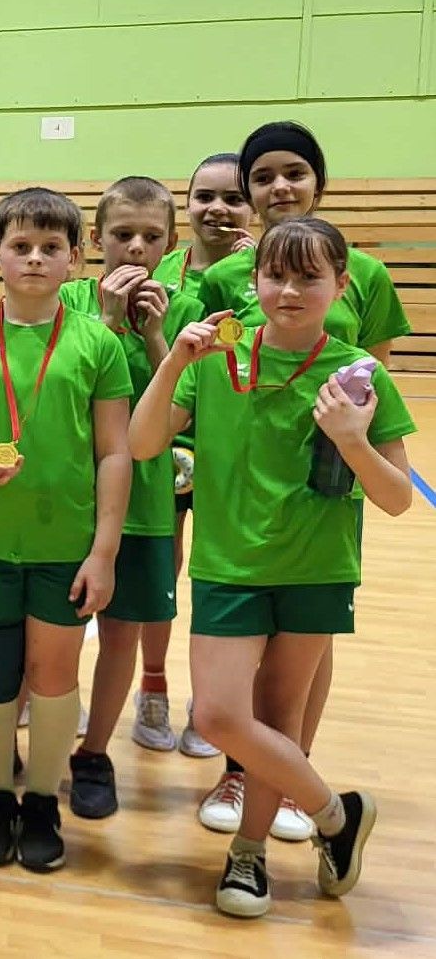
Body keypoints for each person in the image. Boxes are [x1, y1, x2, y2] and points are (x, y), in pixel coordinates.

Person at [128, 216, 410, 917]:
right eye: (275, 276)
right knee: (221, 715)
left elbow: (397, 497)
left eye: (309, 277)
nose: (290, 290)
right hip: (228, 564)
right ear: (253, 282)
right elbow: (142, 443)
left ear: (340, 285)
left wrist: (352, 439)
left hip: (317, 567)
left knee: (281, 719)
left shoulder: (359, 373)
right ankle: (336, 813)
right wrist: (172, 362)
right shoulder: (216, 357)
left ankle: (248, 854)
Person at [192, 121, 412, 841]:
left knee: (304, 646)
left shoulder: (366, 274)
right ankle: (245, 770)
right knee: (238, 662)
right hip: (241, 492)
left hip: (323, 484)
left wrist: (349, 444)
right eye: (263, 177)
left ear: (320, 181)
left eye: (295, 172)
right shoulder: (224, 277)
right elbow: (207, 374)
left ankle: (292, 778)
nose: (280, 186)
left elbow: (367, 375)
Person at [0, 187, 132, 872]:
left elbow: (115, 452)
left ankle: (41, 800)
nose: (35, 258)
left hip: (65, 543)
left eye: (50, 247)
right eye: (21, 246)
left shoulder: (98, 343)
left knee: (53, 674)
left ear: (75, 259)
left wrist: (104, 551)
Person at [58, 177, 204, 818]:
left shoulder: (185, 310)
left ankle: (94, 752)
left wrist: (154, 336)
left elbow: (182, 409)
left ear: (170, 243)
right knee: (55, 633)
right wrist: (108, 323)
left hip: (144, 505)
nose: (136, 249)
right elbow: (55, 384)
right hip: (65, 500)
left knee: (120, 635)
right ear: (96, 240)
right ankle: (33, 739)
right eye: (122, 235)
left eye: (151, 237)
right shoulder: (68, 299)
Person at [135, 152, 252, 757]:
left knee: (221, 578)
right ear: (186, 206)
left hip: (238, 446)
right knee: (164, 568)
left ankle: (212, 704)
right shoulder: (160, 273)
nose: (218, 209)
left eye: (234, 197)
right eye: (205, 196)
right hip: (170, 441)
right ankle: (153, 686)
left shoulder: (267, 277)